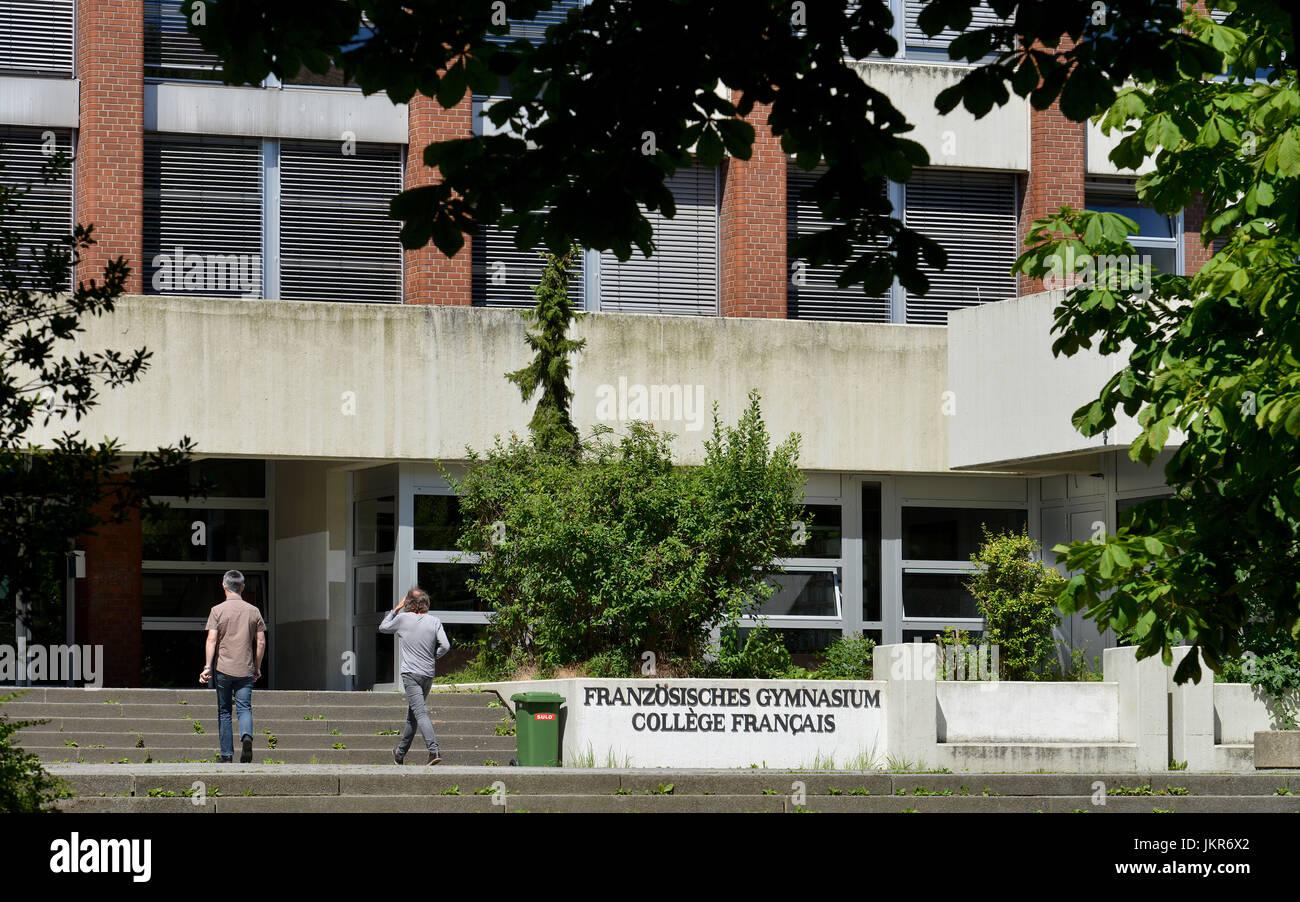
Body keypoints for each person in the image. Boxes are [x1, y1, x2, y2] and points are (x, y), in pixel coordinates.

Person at [199, 570, 266, 764]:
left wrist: (207, 667)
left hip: (223, 669)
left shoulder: (217, 610)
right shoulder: (254, 611)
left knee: (225, 711)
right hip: (245, 668)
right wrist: (257, 666)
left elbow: (211, 640)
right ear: (243, 587)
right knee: (244, 708)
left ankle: (226, 755)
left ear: (224, 586)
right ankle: (246, 736)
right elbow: (260, 642)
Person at [378, 587, 451, 765]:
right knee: (413, 715)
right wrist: (434, 656)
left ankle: (434, 750)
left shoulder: (402, 618)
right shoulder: (434, 621)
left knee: (420, 713)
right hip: (427, 674)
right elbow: (446, 646)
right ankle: (400, 753)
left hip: (411, 674)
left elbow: (383, 627)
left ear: (409, 603)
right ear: (426, 603)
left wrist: (395, 609)